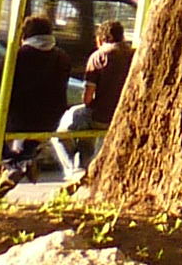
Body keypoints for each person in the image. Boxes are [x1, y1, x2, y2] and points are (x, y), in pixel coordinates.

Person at [0, 17, 74, 186]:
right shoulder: (62, 57)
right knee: (34, 132)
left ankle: (13, 164)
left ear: (24, 34)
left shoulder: (18, 56)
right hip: (51, 120)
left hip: (19, 119)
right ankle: (25, 159)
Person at [55, 21, 133, 177]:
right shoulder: (133, 55)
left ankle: (73, 170)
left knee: (62, 132)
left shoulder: (99, 56)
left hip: (101, 115)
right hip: (125, 115)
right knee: (85, 133)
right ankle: (85, 167)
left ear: (101, 39)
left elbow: (88, 98)